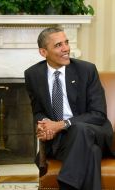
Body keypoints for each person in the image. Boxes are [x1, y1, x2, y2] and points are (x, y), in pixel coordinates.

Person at [24, 27, 113, 190]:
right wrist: (44, 124)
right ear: (43, 52)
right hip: (62, 141)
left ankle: (66, 183)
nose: (66, 48)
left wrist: (60, 124)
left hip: (95, 132)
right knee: (91, 153)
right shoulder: (33, 75)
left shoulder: (86, 70)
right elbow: (38, 111)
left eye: (66, 42)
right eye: (58, 45)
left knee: (79, 129)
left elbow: (98, 114)